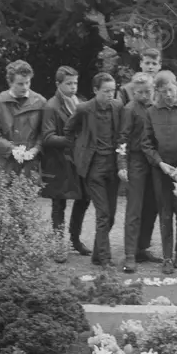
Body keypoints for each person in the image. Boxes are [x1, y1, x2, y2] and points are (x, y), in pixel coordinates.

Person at [65, 73, 123, 266]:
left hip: (112, 167)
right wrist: (79, 152)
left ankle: (98, 254)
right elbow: (68, 131)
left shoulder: (117, 107)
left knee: (111, 215)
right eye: (106, 91)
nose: (110, 94)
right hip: (93, 168)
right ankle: (105, 259)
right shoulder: (83, 109)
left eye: (112, 91)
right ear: (95, 90)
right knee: (103, 213)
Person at [142, 70, 177, 273]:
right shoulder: (151, 112)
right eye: (163, 91)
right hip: (161, 171)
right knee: (165, 213)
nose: (168, 94)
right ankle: (167, 257)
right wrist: (160, 164)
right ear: (157, 91)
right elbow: (146, 144)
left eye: (171, 89)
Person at [39, 65, 91, 258]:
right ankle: (58, 244)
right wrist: (73, 141)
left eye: (75, 83)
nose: (73, 87)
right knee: (59, 203)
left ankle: (75, 239)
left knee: (84, 198)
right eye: (68, 83)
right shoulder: (51, 106)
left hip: (79, 160)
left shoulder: (81, 103)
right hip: (59, 161)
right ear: (58, 84)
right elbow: (47, 137)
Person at [117, 73, 159, 273]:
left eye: (148, 92)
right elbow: (123, 138)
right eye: (140, 92)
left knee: (151, 207)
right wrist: (122, 164)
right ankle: (130, 254)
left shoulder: (156, 107)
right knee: (134, 208)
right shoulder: (130, 109)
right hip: (135, 160)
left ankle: (143, 247)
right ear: (133, 92)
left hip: (154, 161)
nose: (144, 95)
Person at [0, 60, 47, 177]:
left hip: (30, 163)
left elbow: (44, 132)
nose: (25, 87)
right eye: (20, 84)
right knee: (5, 195)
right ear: (10, 82)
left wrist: (36, 149)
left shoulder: (40, 102)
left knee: (28, 194)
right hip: (5, 164)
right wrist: (13, 150)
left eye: (27, 82)